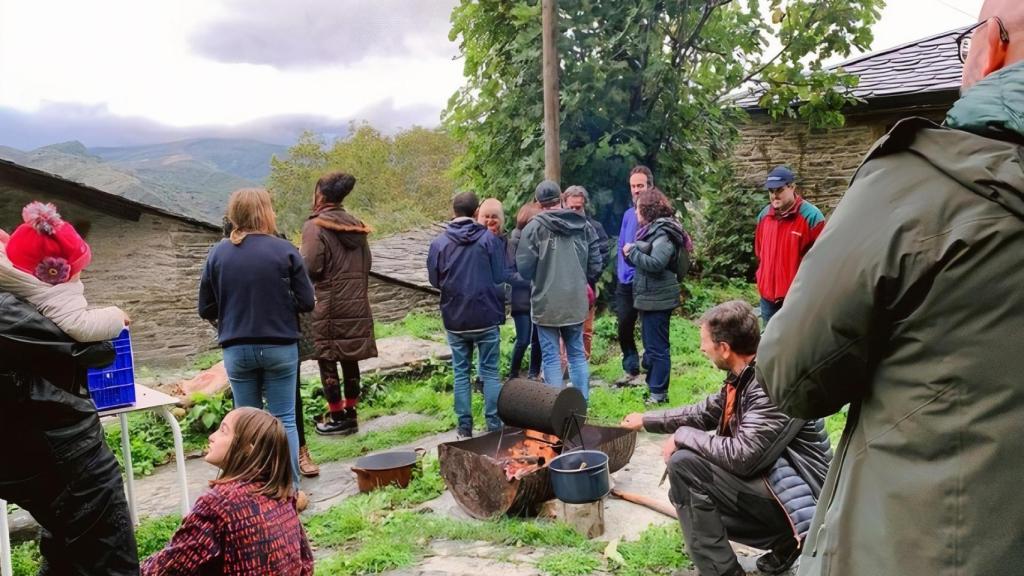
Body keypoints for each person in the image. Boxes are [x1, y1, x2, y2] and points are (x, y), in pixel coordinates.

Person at [757, 3, 1024, 574]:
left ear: (993, 46)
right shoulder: (766, 221)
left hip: (914, 546)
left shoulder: (916, 186)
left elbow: (790, 376)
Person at [621, 301, 831, 576]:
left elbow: (744, 456)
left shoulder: (771, 385)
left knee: (685, 466)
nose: (701, 348)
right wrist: (646, 420)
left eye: (705, 342)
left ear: (724, 348)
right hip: (784, 491)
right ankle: (786, 543)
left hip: (808, 504)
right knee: (686, 492)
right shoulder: (750, 372)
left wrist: (682, 436)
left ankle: (726, 570)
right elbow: (705, 412)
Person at [0, 290, 139, 575]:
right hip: (65, 453)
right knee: (109, 560)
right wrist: (109, 318)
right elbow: (97, 350)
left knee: (65, 552)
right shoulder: (6, 310)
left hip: (24, 454)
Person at [198, 188, 315, 490]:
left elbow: (205, 308)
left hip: (236, 348)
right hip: (279, 346)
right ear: (265, 212)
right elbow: (307, 301)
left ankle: (251, 490)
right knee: (284, 420)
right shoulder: (284, 250)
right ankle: (289, 491)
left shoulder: (218, 253)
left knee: (244, 426)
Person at [142, 407, 314, 575]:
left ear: (249, 448)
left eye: (223, 431)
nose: (211, 437)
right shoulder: (282, 493)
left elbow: (168, 567)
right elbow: (306, 564)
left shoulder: (221, 502)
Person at [300, 172, 378, 436]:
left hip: (329, 305)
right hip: (357, 304)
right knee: (350, 358)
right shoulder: (358, 226)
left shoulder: (315, 227)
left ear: (320, 194)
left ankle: (336, 416)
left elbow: (310, 267)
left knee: (328, 358)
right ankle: (352, 413)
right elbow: (367, 264)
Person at [427, 191, 506, 438]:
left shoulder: (439, 244)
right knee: (490, 372)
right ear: (476, 212)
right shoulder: (489, 239)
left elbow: (434, 280)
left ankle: (464, 427)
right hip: (486, 315)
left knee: (461, 372)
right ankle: (493, 425)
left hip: (455, 318)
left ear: (454, 211)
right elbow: (499, 275)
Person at [516, 180, 602, 400]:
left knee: (551, 357)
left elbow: (524, 269)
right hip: (575, 300)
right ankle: (581, 404)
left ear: (538, 203)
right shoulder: (583, 225)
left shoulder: (533, 228)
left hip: (546, 303)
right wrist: (582, 279)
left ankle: (554, 407)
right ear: (561, 199)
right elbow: (595, 262)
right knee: (577, 355)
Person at [0, 201, 129, 342]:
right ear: (56, 274)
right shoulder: (53, 293)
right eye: (79, 268)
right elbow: (80, 326)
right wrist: (117, 317)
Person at [623, 189, 690, 405]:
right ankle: (654, 387)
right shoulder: (652, 230)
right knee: (651, 347)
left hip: (658, 300)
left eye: (638, 208)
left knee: (658, 348)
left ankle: (658, 394)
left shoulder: (663, 233)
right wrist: (631, 255)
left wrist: (633, 252)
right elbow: (646, 261)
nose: (635, 213)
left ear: (647, 210)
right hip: (650, 297)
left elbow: (656, 263)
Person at [753, 166, 824, 324]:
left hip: (797, 299)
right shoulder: (764, 216)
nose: (774, 195)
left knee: (797, 338)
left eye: (779, 190)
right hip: (768, 299)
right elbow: (760, 253)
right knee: (770, 338)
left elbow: (821, 262)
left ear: (792, 187)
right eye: (771, 191)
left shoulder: (812, 217)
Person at [615, 165, 653, 386]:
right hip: (625, 281)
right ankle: (630, 367)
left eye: (640, 185)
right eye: (633, 186)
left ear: (649, 186)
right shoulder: (628, 214)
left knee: (648, 327)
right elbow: (621, 243)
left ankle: (650, 367)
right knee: (624, 325)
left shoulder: (656, 216)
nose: (636, 190)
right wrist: (621, 271)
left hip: (646, 279)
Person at [562, 185, 610, 359]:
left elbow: (603, 254)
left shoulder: (595, 227)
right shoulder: (557, 228)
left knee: (585, 330)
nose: (575, 211)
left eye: (578, 207)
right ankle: (564, 365)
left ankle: (583, 364)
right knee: (562, 330)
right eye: (571, 207)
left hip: (586, 287)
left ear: (584, 206)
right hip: (562, 288)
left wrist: (589, 277)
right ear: (564, 205)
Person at [507, 201, 542, 379]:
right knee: (523, 340)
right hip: (521, 300)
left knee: (538, 340)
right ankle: (513, 374)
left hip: (538, 299)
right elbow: (509, 274)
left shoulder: (539, 241)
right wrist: (532, 281)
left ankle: (533, 374)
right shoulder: (513, 243)